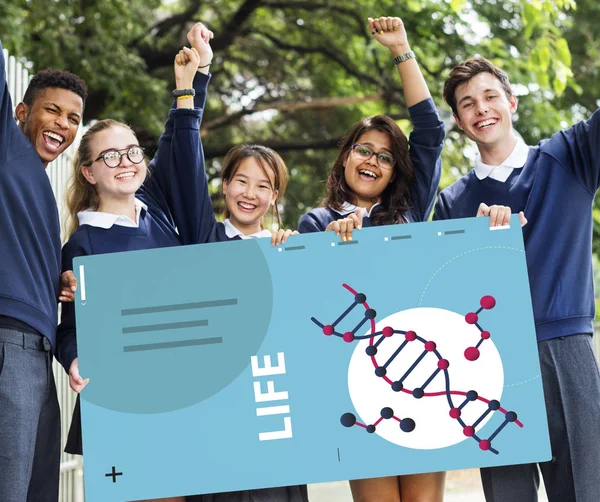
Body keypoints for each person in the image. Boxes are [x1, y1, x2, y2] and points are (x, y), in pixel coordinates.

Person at [434, 55, 600, 502]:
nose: (481, 108)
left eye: (490, 96)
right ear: (458, 120)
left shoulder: (569, 156)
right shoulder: (453, 203)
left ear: (512, 101)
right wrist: (479, 243)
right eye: (467, 104)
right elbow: (447, 290)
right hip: (488, 361)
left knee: (586, 492)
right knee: (507, 496)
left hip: (565, 351)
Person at [299, 16, 445, 502]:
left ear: (393, 173)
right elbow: (310, 307)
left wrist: (402, 50)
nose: (372, 161)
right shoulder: (314, 223)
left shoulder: (410, 214)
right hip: (360, 385)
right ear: (344, 158)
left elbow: (429, 131)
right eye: (364, 149)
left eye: (385, 157)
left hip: (423, 373)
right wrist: (332, 248)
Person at [0, 38, 87, 502]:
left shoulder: (40, 189)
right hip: (7, 346)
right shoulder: (6, 148)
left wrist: (55, 281)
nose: (63, 124)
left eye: (73, 118)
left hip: (39, 355)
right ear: (19, 112)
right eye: (52, 111)